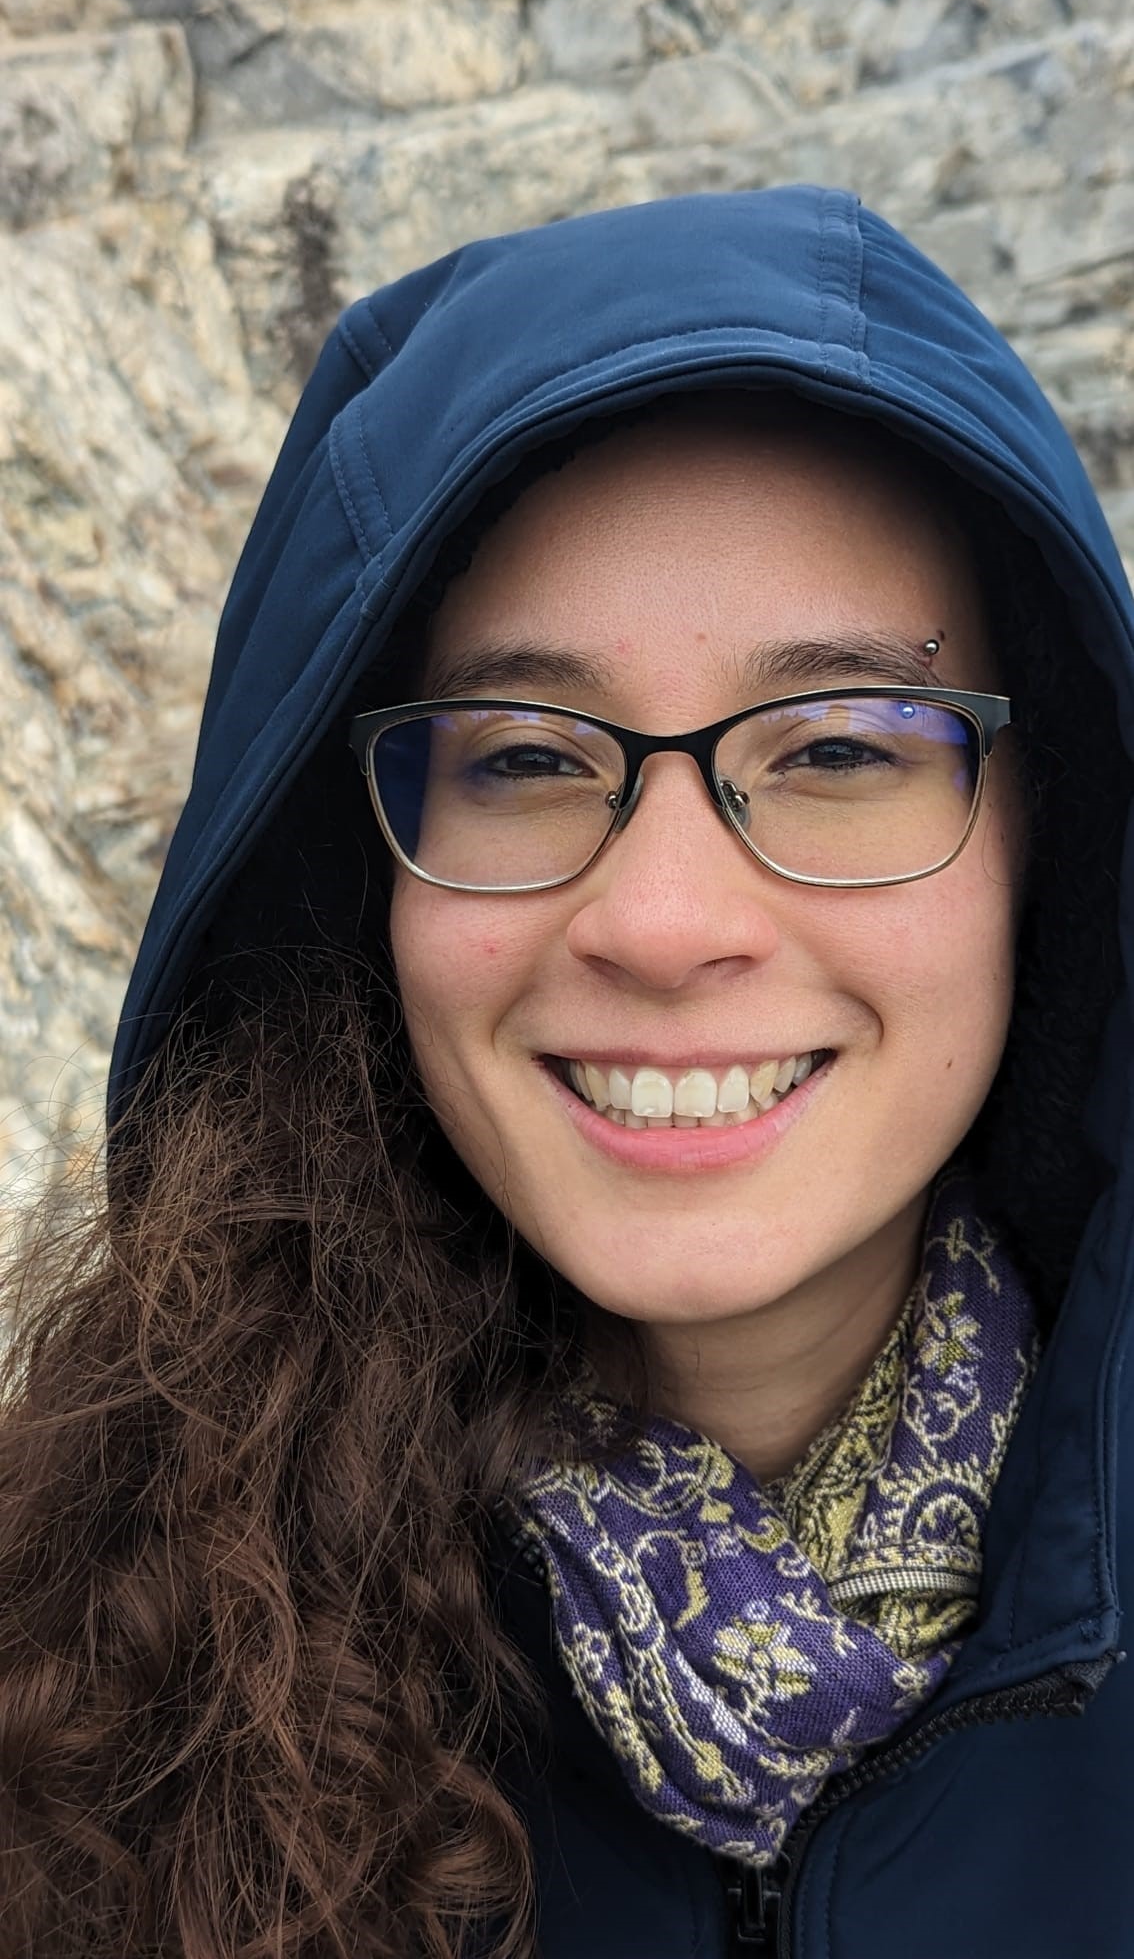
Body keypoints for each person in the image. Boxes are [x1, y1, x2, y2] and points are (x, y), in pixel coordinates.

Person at [1, 184, 1132, 1959]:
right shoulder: (76, 1694)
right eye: (524, 759)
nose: (664, 923)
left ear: (1039, 845)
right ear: (358, 881)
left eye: (839, 746)